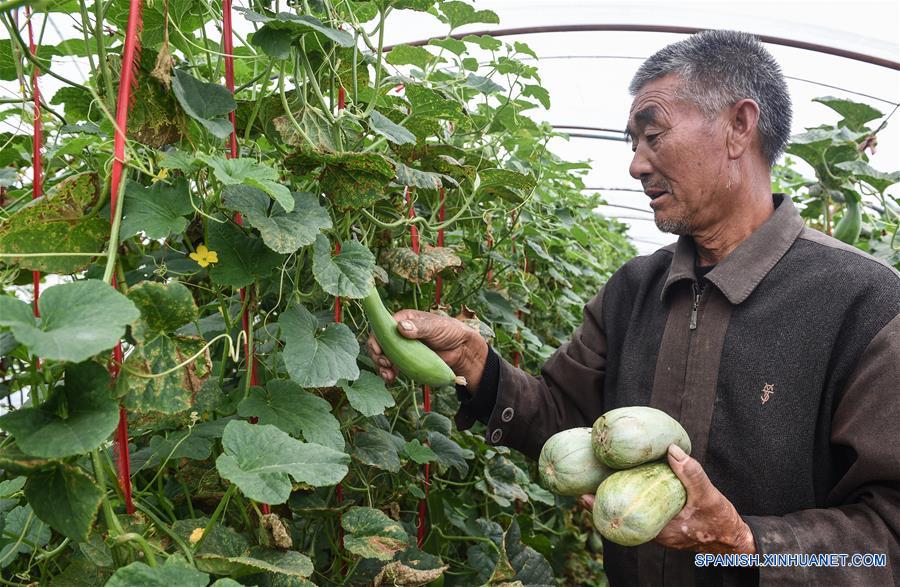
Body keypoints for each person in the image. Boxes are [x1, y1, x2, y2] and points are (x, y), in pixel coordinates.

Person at [367, 30, 899, 586]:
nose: (636, 165)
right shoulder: (634, 288)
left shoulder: (865, 303)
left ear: (739, 127)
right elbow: (564, 422)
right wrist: (476, 364)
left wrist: (747, 544)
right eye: (632, 144)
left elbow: (888, 541)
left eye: (653, 135)